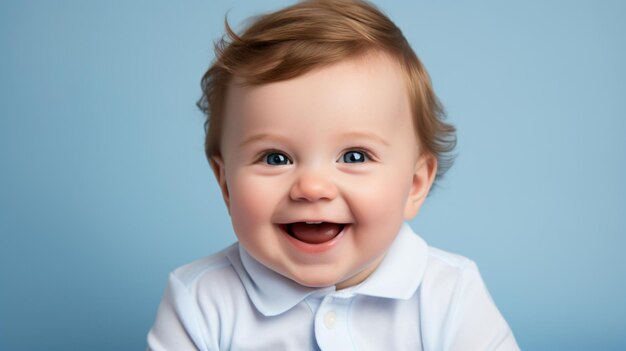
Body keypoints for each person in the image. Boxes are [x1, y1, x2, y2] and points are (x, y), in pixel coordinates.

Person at [147, 0, 519, 350]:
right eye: (275, 158)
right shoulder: (199, 298)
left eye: (354, 155)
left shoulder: (449, 292)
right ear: (225, 183)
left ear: (415, 185)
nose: (312, 187)